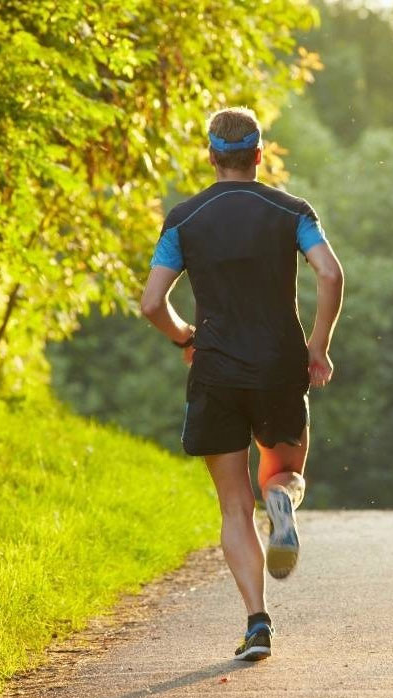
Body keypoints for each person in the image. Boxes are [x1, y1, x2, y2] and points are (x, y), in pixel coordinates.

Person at [141, 107, 343, 662]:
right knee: (285, 472)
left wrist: (186, 338)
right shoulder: (291, 211)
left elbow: (152, 303)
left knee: (233, 505)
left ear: (212, 155)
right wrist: (318, 347)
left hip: (216, 373)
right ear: (258, 154)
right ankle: (283, 500)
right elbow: (330, 273)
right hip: (280, 366)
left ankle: (257, 623)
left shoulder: (184, 219)